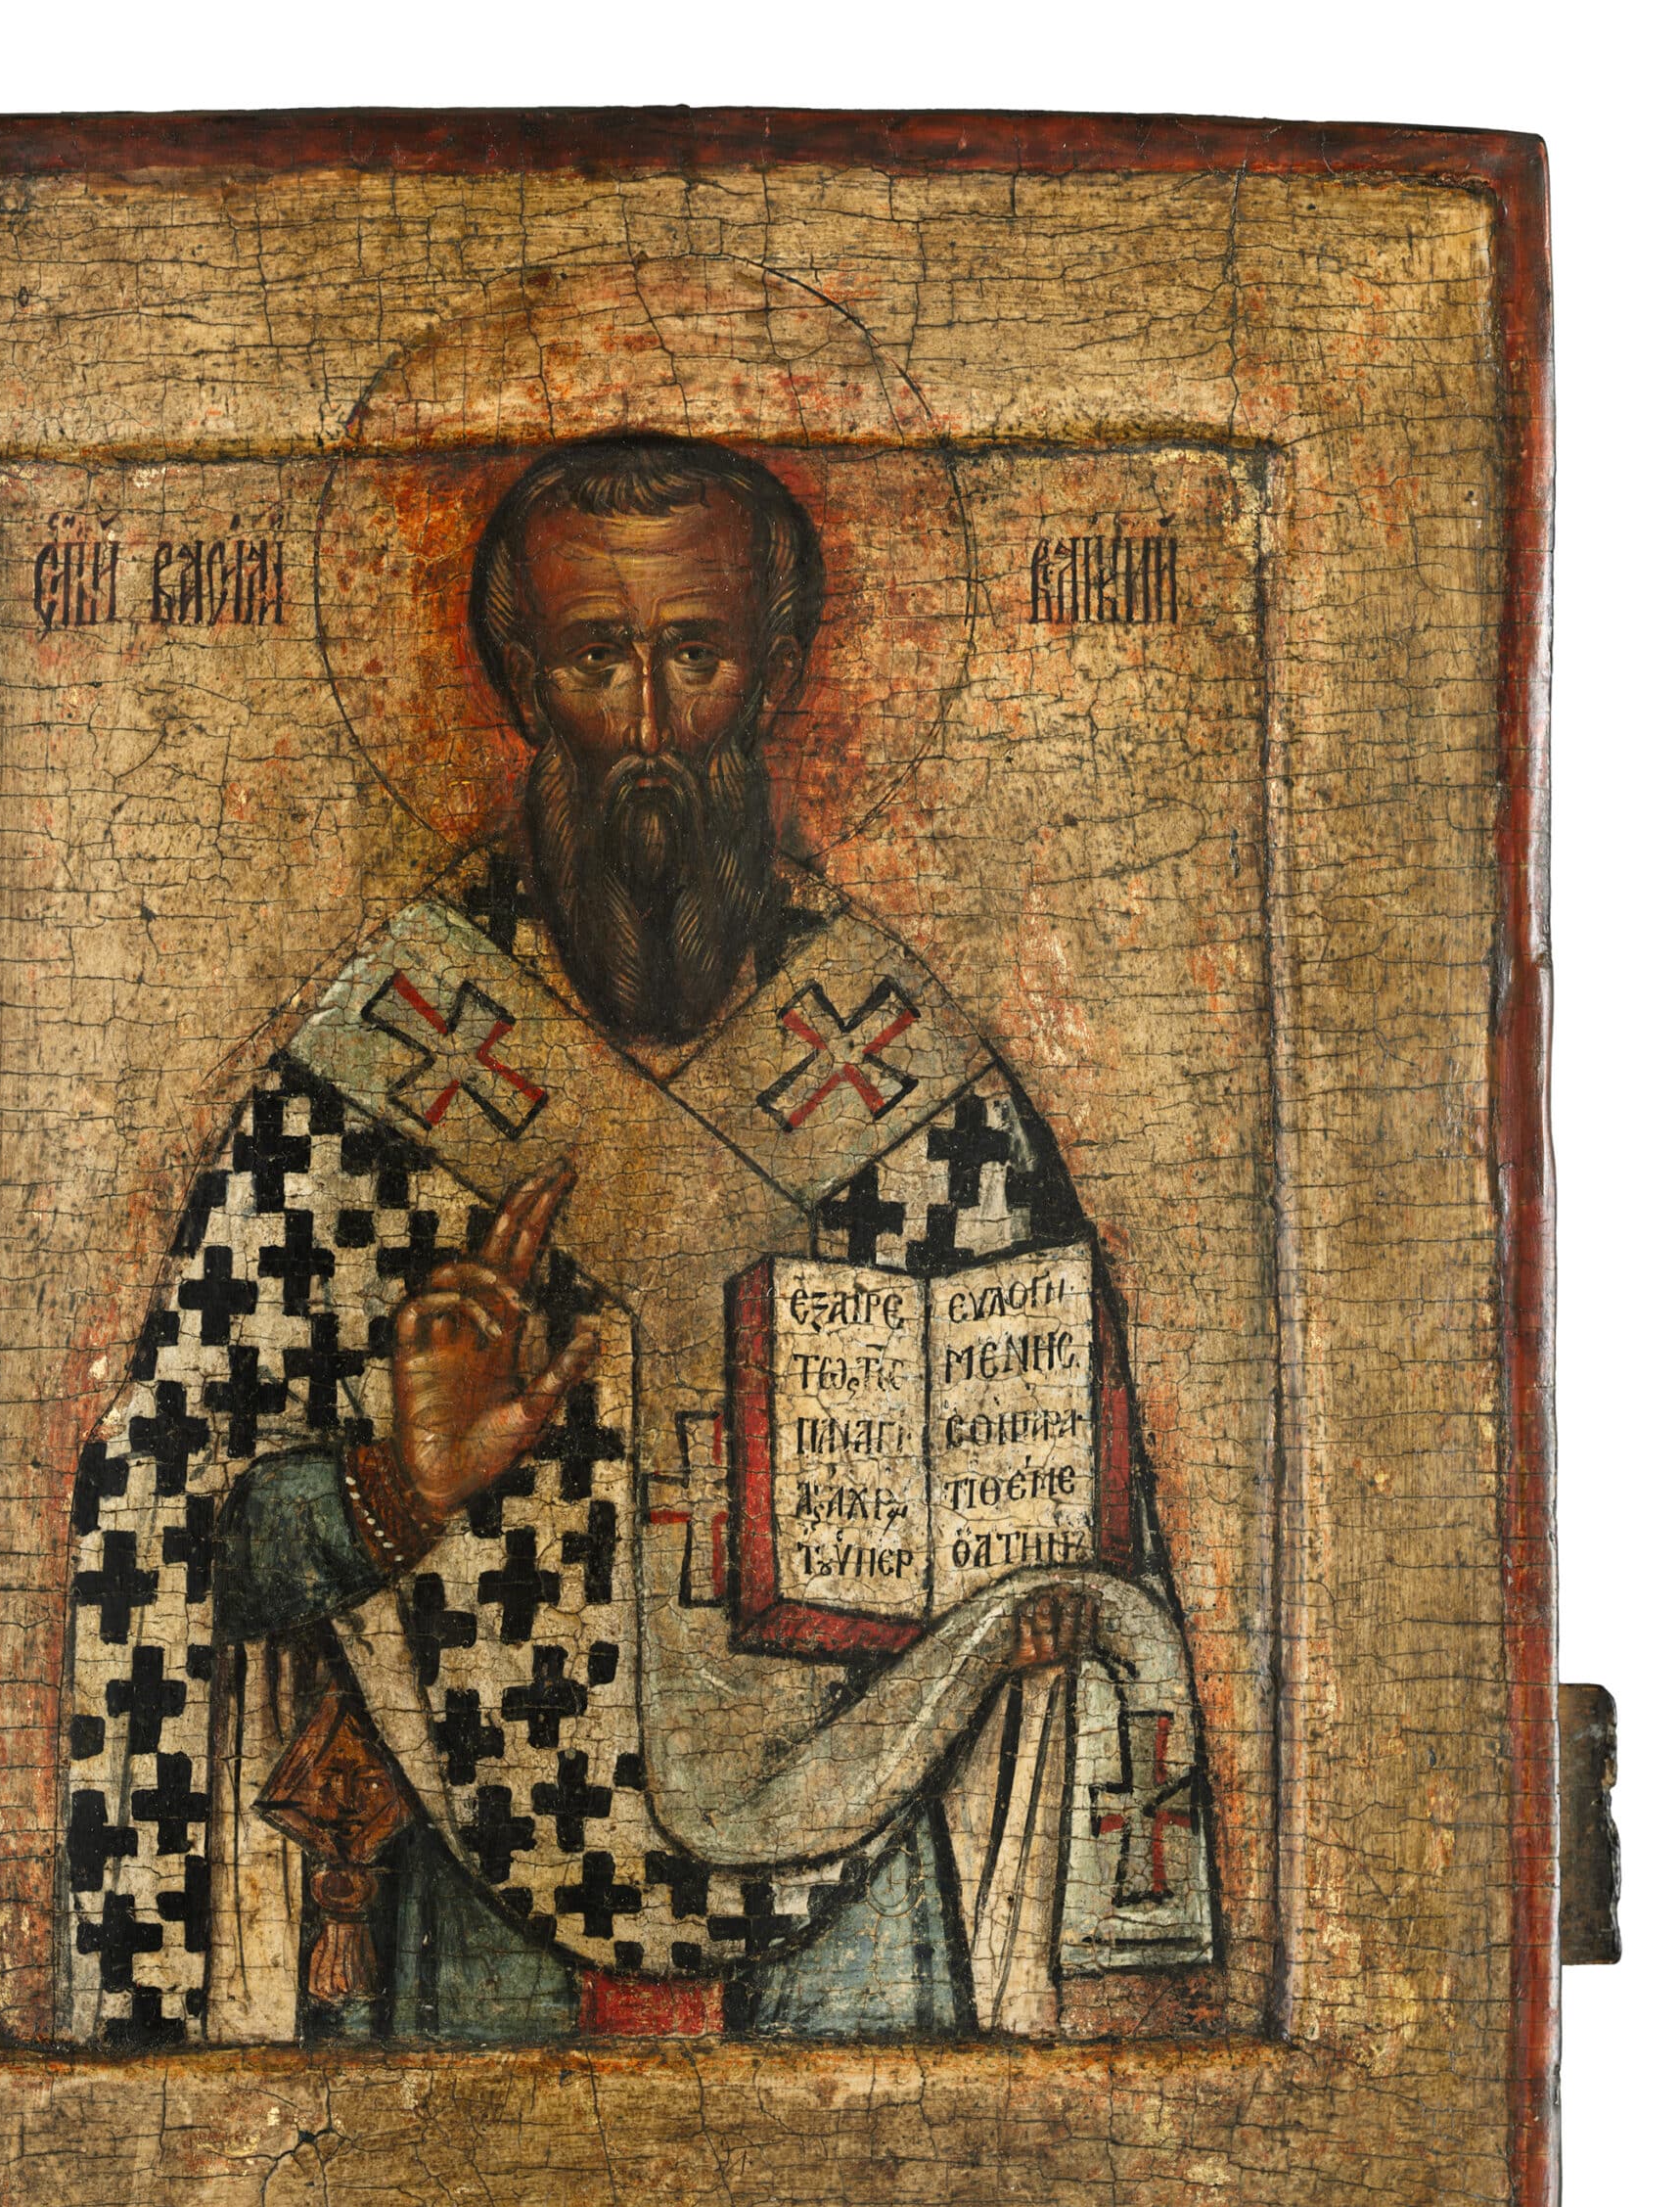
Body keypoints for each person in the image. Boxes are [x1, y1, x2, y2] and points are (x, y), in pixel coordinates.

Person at [61, 435, 1214, 2048]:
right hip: (467, 1877)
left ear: (779, 671)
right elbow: (169, 1531)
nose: (654, 727)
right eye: (600, 659)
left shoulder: (913, 1086)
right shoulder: (373, 1080)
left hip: (857, 1894)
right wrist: (395, 1488)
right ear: (524, 682)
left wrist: (1035, 1597)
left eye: (699, 654)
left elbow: (1082, 1541)